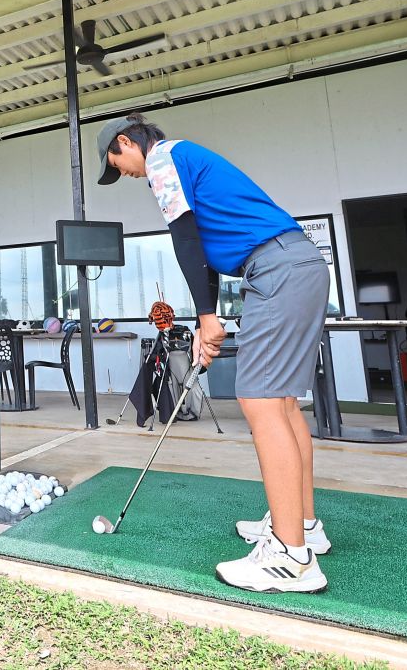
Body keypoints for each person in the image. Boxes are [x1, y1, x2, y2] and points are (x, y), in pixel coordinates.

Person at [97, 113, 330, 594]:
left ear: (127, 142)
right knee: (281, 402)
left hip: (277, 270)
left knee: (261, 400)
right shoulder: (185, 158)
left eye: (117, 163)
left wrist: (206, 316)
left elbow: (184, 240)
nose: (124, 173)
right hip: (294, 265)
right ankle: (302, 525)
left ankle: (291, 559)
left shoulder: (163, 159)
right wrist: (209, 314)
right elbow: (202, 247)